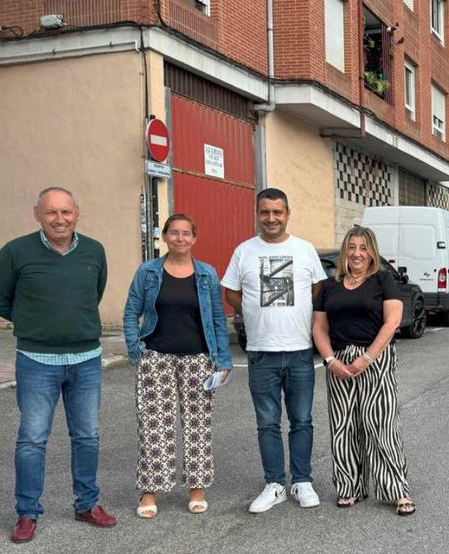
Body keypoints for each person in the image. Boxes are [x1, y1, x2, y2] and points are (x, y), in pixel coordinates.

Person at [0, 187, 116, 543]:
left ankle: (87, 504)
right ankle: (27, 513)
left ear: (77, 213)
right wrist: (35, 323)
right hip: (36, 361)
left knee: (87, 436)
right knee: (31, 440)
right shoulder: (16, 252)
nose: (59, 219)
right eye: (51, 213)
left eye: (66, 212)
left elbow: (95, 292)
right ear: (37, 215)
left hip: (86, 361)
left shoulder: (94, 251)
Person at [222, 188, 327, 513]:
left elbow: (317, 289)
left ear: (287, 213)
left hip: (299, 351)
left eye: (277, 212)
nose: (271, 218)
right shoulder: (244, 251)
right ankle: (274, 484)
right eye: (265, 212)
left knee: (302, 420)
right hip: (261, 352)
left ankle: (302, 480)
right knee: (267, 423)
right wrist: (254, 310)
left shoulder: (305, 250)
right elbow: (231, 293)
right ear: (258, 213)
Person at [123, 213, 232, 518]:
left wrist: (222, 360)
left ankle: (196, 488)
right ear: (165, 237)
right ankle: (149, 490)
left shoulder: (206, 274)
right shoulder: (148, 272)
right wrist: (137, 351)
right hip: (156, 357)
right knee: (154, 425)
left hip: (198, 358)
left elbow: (217, 320)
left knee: (198, 426)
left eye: (186, 233)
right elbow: (131, 312)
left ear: (194, 238)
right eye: (174, 233)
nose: (180, 238)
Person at [312, 226, 415, 516]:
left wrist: (367, 358)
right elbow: (319, 327)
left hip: (375, 358)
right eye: (352, 247)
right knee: (343, 425)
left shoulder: (383, 280)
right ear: (345, 251)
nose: (357, 253)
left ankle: (397, 490)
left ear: (372, 253)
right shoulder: (329, 287)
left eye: (363, 248)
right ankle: (349, 487)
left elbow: (392, 321)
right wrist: (331, 360)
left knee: (380, 424)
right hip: (339, 360)